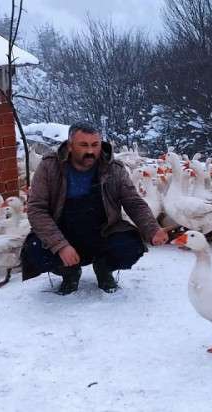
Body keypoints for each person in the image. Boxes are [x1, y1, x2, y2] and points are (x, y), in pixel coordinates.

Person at [23, 122, 168, 294]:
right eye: (83, 145)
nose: (90, 151)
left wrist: (152, 229)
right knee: (34, 250)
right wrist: (60, 245)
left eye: (95, 145)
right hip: (64, 231)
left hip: (102, 231)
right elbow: (36, 209)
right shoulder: (49, 167)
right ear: (70, 146)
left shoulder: (114, 169)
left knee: (131, 246)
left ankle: (104, 268)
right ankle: (69, 272)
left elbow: (133, 202)